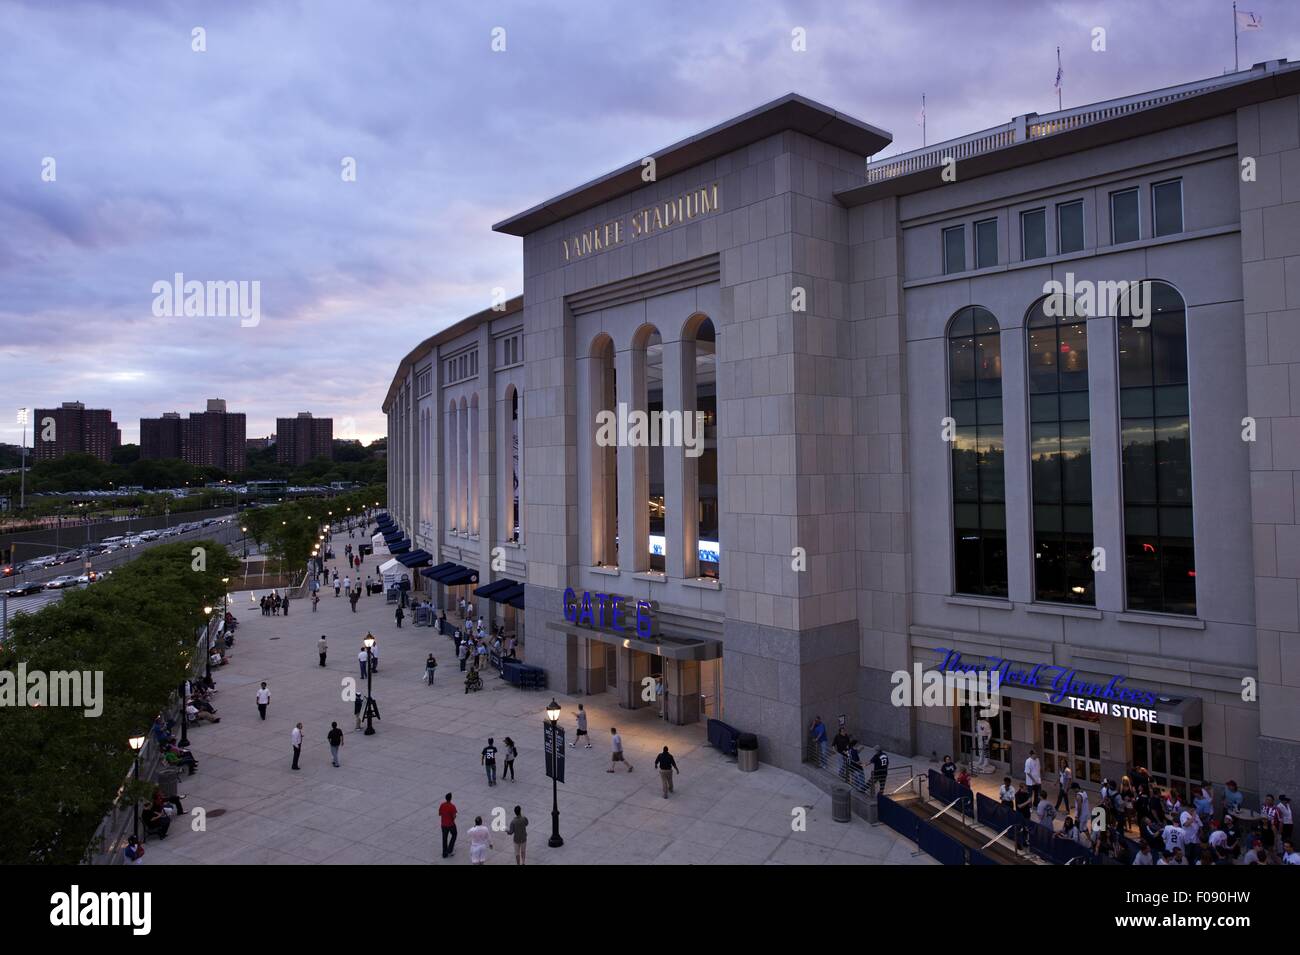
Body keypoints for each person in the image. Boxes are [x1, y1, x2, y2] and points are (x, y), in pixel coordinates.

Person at [438, 793, 458, 858]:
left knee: (444, 838)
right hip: (451, 824)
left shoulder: (442, 805)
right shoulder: (452, 806)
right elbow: (454, 816)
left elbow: (440, 814)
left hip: (443, 824)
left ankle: (444, 853)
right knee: (454, 834)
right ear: (451, 798)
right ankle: (449, 849)